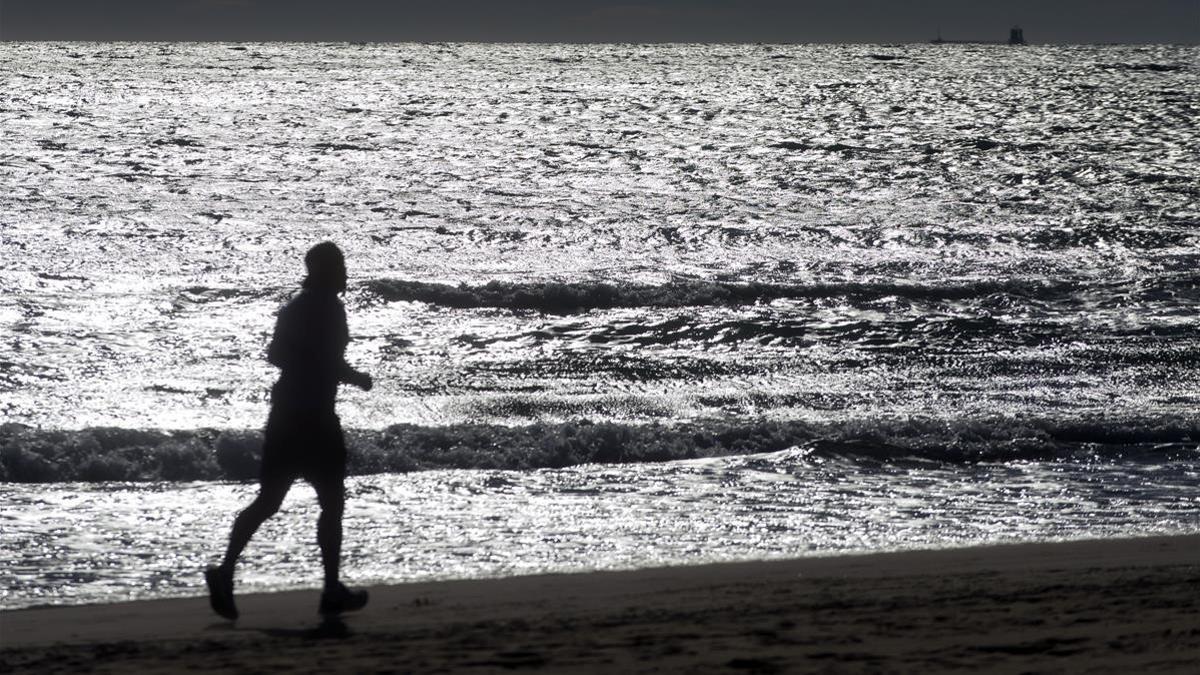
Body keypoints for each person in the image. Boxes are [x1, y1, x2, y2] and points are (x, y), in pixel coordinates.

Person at [206, 242, 373, 620]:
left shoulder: (306, 306)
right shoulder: (319, 307)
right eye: (339, 266)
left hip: (295, 414)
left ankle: (228, 571)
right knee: (317, 501)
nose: (345, 273)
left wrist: (337, 371)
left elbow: (290, 356)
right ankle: (327, 589)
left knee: (282, 500)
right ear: (324, 271)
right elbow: (292, 357)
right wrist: (352, 376)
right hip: (308, 417)